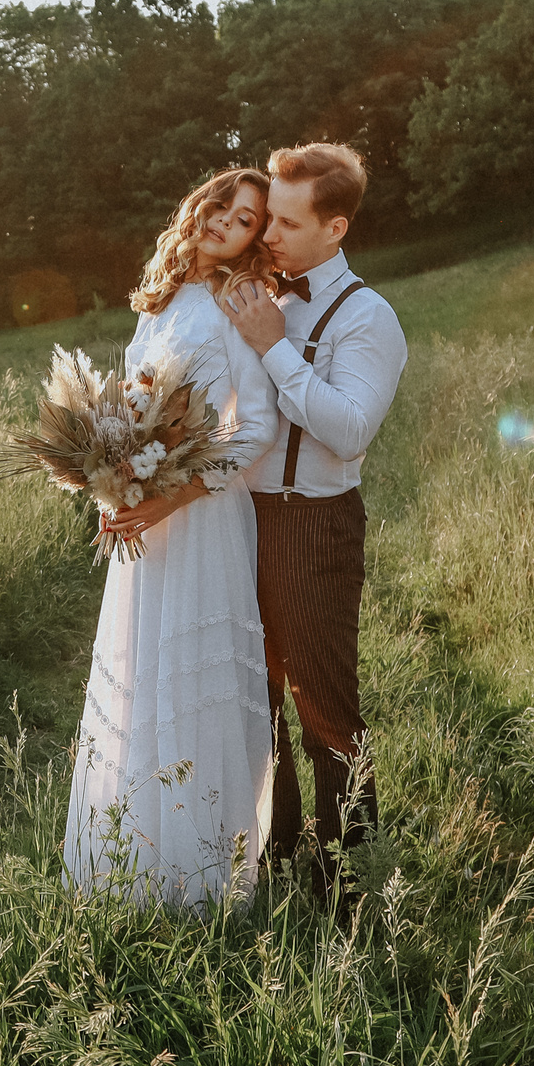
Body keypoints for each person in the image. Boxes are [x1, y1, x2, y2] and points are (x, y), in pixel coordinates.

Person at [62, 167, 284, 908]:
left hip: (200, 521)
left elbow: (253, 425)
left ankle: (198, 882)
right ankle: (132, 867)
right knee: (142, 678)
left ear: (255, 239)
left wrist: (174, 497)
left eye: (249, 219)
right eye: (225, 204)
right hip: (147, 519)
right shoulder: (159, 300)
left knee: (191, 684)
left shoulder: (236, 302)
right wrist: (114, 487)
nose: (228, 220)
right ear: (201, 205)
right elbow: (135, 409)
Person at [219, 142, 407, 890]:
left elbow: (351, 427)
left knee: (325, 710)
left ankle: (349, 876)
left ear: (336, 229)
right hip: (238, 521)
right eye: (269, 219)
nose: (270, 235)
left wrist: (273, 348)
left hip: (312, 524)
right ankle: (277, 852)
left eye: (288, 224)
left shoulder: (369, 317)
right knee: (252, 699)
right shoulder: (255, 289)